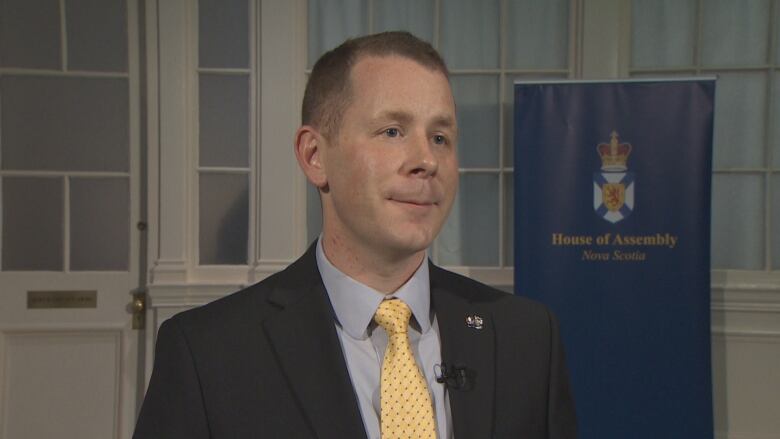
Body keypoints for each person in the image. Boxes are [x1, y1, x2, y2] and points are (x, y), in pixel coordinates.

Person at [134, 31, 576, 439]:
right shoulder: (208, 354)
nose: (426, 160)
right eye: (392, 131)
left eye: (441, 137)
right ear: (314, 156)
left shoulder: (528, 337)